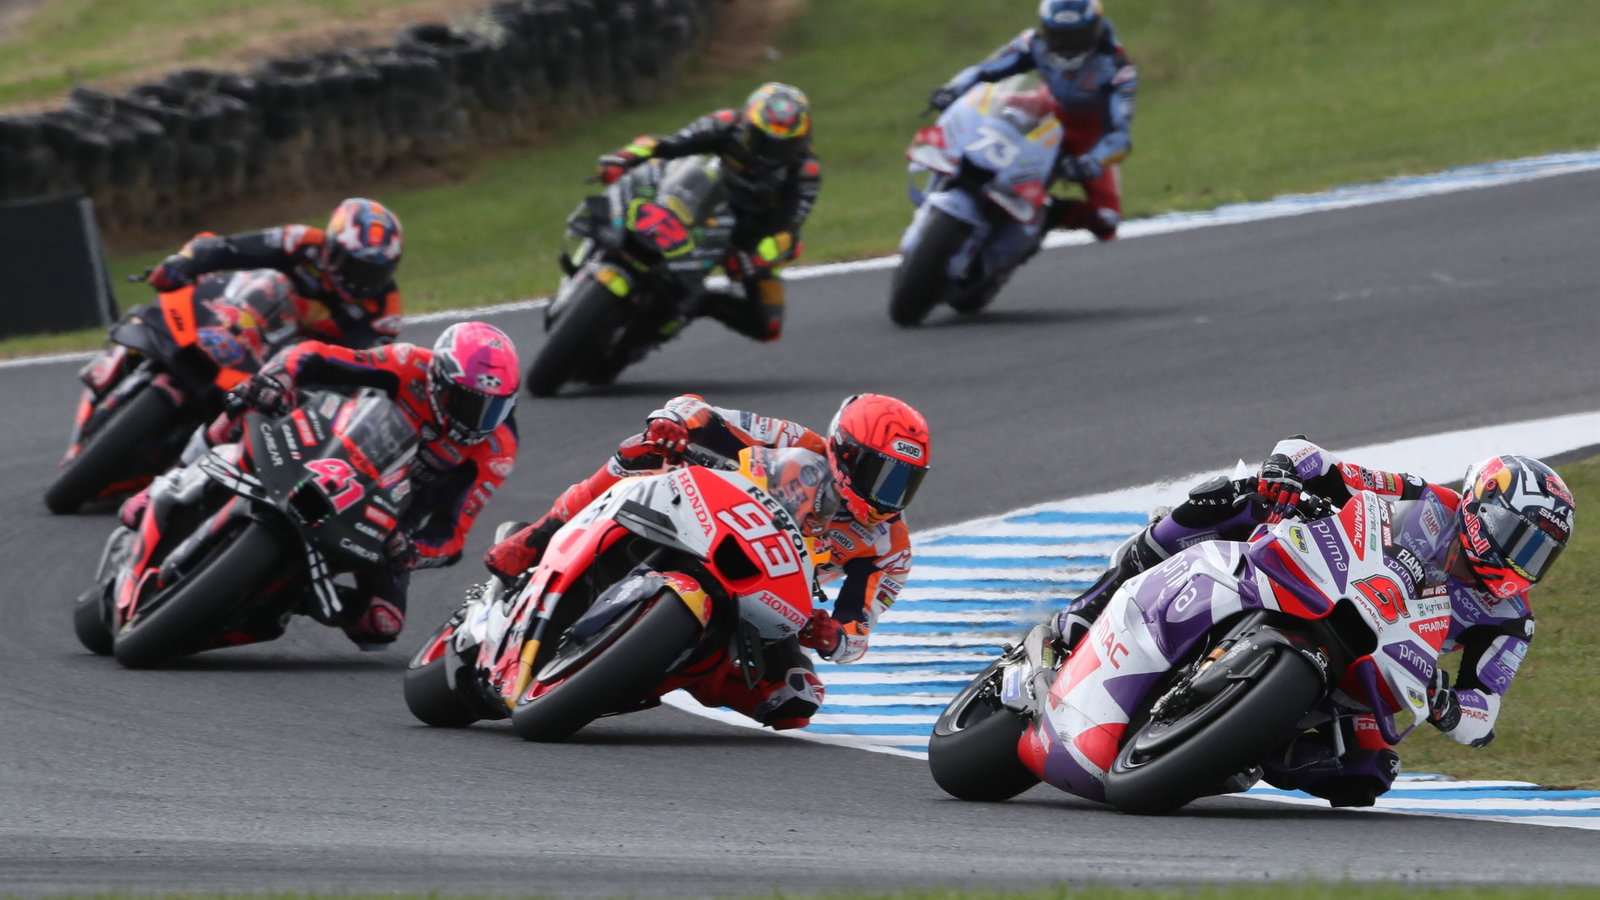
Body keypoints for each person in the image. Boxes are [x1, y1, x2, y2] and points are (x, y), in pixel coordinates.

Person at [1044, 438, 1576, 807]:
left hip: (1377, 661)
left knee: (1368, 774)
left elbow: (1483, 713)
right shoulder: (1425, 497)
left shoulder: (1508, 619)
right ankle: (1096, 602)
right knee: (1233, 497)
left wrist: (1445, 702)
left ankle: (1244, 749)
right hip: (1321, 576)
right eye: (1519, 535)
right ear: (1483, 504)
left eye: (1540, 553)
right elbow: (1325, 464)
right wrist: (1285, 473)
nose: (1522, 559)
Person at [483, 393, 930, 729]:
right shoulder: (796, 443)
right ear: (845, 453)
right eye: (883, 475)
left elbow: (858, 627)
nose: (889, 496)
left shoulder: (889, 545)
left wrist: (834, 637)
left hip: (769, 587)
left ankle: (662, 672)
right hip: (706, 519)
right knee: (641, 449)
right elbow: (699, 412)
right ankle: (538, 536)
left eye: (904, 483)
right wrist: (672, 424)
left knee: (797, 699)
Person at [124, 321, 521, 649]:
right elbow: (318, 356)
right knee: (247, 400)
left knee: (380, 627)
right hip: (333, 449)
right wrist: (279, 377)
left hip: (387, 521)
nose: (479, 418)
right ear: (438, 379)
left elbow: (452, 534)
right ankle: (170, 478)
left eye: (495, 406)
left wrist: (411, 550)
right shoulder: (409, 363)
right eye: (467, 402)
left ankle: (287, 599)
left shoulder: (497, 449)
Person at [593, 82, 821, 343]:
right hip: (698, 198)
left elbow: (789, 232)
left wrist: (759, 259)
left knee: (767, 325)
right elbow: (667, 144)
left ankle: (699, 303)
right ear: (748, 126)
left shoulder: (806, 172)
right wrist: (623, 157)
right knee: (646, 187)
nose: (769, 152)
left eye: (781, 146)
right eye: (762, 140)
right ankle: (603, 243)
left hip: (749, 236)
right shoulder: (725, 123)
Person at [928, 0, 1136, 241]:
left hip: (1086, 139)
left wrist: (1091, 162)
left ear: (1096, 30)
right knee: (975, 109)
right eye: (1059, 36)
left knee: (1106, 219)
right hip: (1041, 111)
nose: (1066, 46)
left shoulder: (1119, 69)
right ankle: (940, 184)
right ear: (1045, 29)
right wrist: (953, 88)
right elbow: (985, 69)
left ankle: (1044, 212)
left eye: (1077, 36)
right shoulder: (1031, 42)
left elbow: (1119, 137)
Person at [145, 197, 404, 349]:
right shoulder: (300, 241)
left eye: (373, 272)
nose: (359, 279)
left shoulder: (385, 311)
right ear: (332, 246)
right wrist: (183, 262)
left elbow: (364, 367)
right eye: (353, 265)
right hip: (239, 324)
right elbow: (229, 248)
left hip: (291, 371)